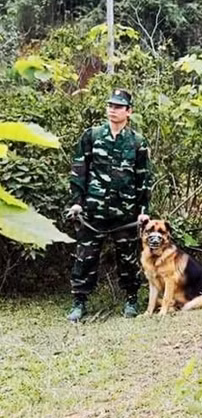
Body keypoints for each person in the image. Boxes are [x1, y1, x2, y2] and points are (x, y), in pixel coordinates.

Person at [66, 89, 151, 322]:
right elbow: (79, 170)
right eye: (110, 105)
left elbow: (143, 178)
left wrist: (144, 211)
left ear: (128, 111)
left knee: (127, 259)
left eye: (119, 106)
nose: (113, 109)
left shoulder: (137, 142)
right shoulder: (92, 136)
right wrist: (77, 203)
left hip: (125, 213)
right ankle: (79, 303)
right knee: (85, 258)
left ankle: (131, 300)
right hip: (93, 212)